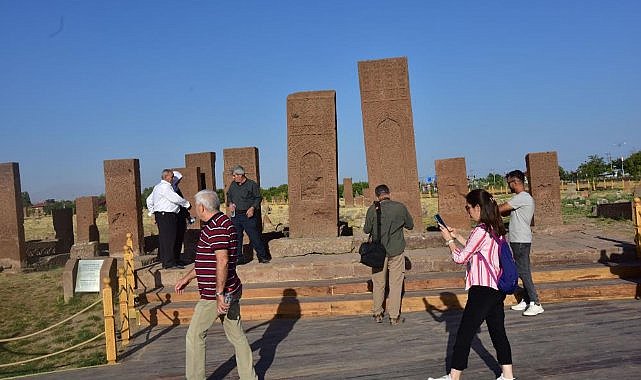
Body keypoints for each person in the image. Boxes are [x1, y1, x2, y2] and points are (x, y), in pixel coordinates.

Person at [429, 189, 515, 380]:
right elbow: (477, 250)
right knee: (498, 333)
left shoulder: (480, 230)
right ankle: (508, 376)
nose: (467, 211)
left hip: (482, 290)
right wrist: (458, 236)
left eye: (468, 207)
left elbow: (461, 257)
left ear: (478, 207)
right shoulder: (496, 228)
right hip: (496, 289)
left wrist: (449, 240)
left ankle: (454, 377)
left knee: (464, 334)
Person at [174, 189, 257, 380]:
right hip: (229, 289)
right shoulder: (221, 222)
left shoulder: (216, 227)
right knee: (236, 336)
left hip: (215, 294)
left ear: (202, 207)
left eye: (196, 207)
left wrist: (219, 294)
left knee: (194, 336)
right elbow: (206, 261)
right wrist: (187, 277)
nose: (196, 210)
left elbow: (222, 261)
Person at [363, 184, 414, 325]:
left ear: (377, 195)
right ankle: (394, 316)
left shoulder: (372, 209)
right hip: (396, 250)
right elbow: (410, 225)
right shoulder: (400, 207)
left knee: (378, 283)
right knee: (396, 284)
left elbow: (366, 230)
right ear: (388, 193)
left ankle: (377, 313)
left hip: (378, 253)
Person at [499, 170, 544, 316]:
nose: (509, 186)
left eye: (509, 183)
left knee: (524, 272)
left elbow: (501, 209)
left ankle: (536, 302)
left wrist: (490, 206)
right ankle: (526, 299)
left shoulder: (522, 197)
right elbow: (505, 212)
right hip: (518, 239)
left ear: (516, 182)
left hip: (521, 240)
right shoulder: (519, 198)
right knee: (520, 271)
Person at [146, 169, 191, 269]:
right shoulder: (165, 187)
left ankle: (171, 261)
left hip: (165, 215)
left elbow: (149, 200)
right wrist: (187, 204)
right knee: (168, 239)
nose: (172, 178)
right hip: (166, 215)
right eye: (171, 177)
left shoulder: (158, 187)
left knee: (169, 238)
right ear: (166, 177)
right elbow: (174, 198)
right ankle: (168, 263)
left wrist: (153, 211)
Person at [226, 165, 270, 264]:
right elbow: (229, 195)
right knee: (236, 237)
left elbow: (258, 198)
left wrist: (252, 208)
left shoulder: (252, 184)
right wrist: (230, 203)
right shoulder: (233, 185)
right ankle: (239, 258)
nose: (233, 177)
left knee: (254, 236)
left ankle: (263, 256)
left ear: (240, 175)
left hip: (248, 215)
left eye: (234, 175)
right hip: (236, 215)